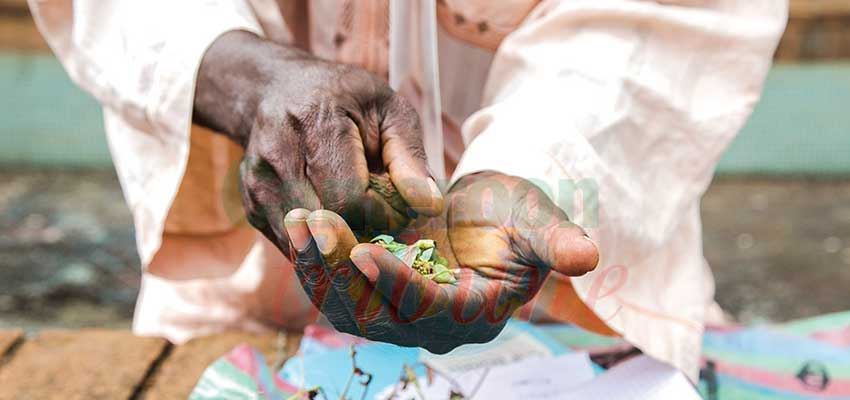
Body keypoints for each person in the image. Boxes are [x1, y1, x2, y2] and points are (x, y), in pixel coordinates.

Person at [29, 0, 787, 380]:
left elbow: (663, 19)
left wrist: (524, 165)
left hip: (565, 310)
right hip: (239, 303)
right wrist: (245, 78)